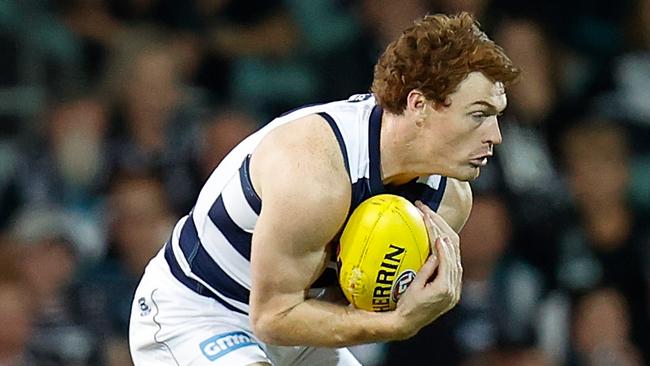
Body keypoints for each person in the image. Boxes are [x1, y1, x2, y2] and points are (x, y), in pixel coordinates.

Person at [129, 12, 519, 366]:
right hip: (199, 311)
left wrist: (401, 308)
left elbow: (339, 305)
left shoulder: (450, 200)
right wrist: (397, 324)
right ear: (418, 105)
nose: (495, 136)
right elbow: (271, 317)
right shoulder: (316, 171)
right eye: (478, 115)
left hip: (293, 326)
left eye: (496, 116)